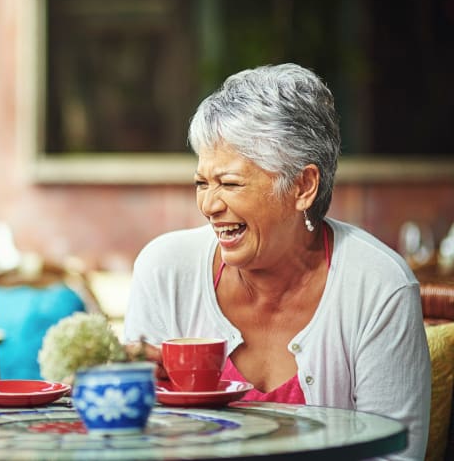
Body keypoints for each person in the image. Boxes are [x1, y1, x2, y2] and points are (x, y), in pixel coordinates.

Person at [124, 63, 430, 460]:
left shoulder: (378, 286)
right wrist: (132, 396)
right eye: (202, 183)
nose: (209, 205)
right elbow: (133, 445)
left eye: (230, 184)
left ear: (303, 186)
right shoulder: (165, 270)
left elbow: (395, 454)